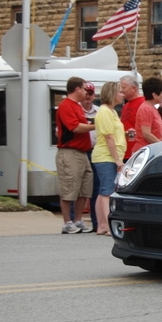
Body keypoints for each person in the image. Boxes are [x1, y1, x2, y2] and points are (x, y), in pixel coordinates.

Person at [55, 76, 96, 234]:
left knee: (84, 188)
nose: (86, 92)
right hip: (69, 151)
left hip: (81, 152)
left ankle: (78, 220)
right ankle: (67, 222)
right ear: (77, 89)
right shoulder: (66, 106)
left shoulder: (77, 106)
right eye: (85, 88)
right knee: (69, 186)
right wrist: (95, 125)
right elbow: (74, 128)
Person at [91, 81, 126, 236]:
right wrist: (117, 159)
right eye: (120, 91)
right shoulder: (105, 112)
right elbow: (109, 137)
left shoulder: (111, 111)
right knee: (108, 191)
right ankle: (107, 224)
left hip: (107, 155)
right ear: (112, 94)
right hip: (106, 156)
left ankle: (102, 225)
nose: (122, 94)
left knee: (103, 190)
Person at [79, 81, 100, 232]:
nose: (88, 96)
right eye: (86, 93)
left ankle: (96, 223)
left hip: (96, 151)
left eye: (90, 93)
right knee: (79, 187)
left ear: (94, 95)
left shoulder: (99, 111)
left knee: (96, 188)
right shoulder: (76, 110)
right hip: (80, 151)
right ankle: (75, 221)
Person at [134, 77, 162, 149]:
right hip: (146, 149)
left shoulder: (152, 108)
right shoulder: (146, 109)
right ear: (154, 95)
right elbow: (146, 134)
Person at [119, 74, 144, 161]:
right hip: (125, 151)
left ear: (133, 88)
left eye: (123, 88)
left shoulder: (143, 104)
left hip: (136, 151)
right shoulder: (125, 106)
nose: (121, 91)